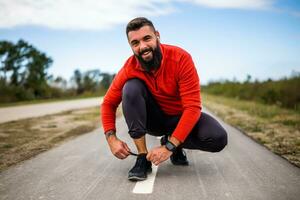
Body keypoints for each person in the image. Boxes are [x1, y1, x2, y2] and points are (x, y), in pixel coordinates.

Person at [101, 17, 227, 181]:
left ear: (157, 36)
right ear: (131, 46)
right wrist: (111, 139)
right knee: (130, 87)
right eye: (135, 43)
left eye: (147, 38)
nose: (143, 47)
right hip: (154, 120)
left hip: (179, 117)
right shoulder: (129, 67)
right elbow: (108, 104)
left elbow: (193, 107)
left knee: (218, 138)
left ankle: (173, 142)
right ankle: (142, 158)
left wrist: (169, 146)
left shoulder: (180, 58)